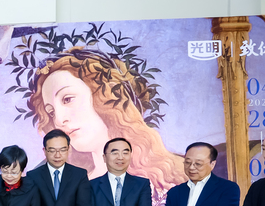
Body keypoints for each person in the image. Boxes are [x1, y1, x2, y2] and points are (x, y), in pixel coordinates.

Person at [29, 48, 186, 194]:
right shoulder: (68, 184)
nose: (59, 120)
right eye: (51, 112)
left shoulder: (169, 175)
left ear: (105, 96)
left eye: (68, 99)